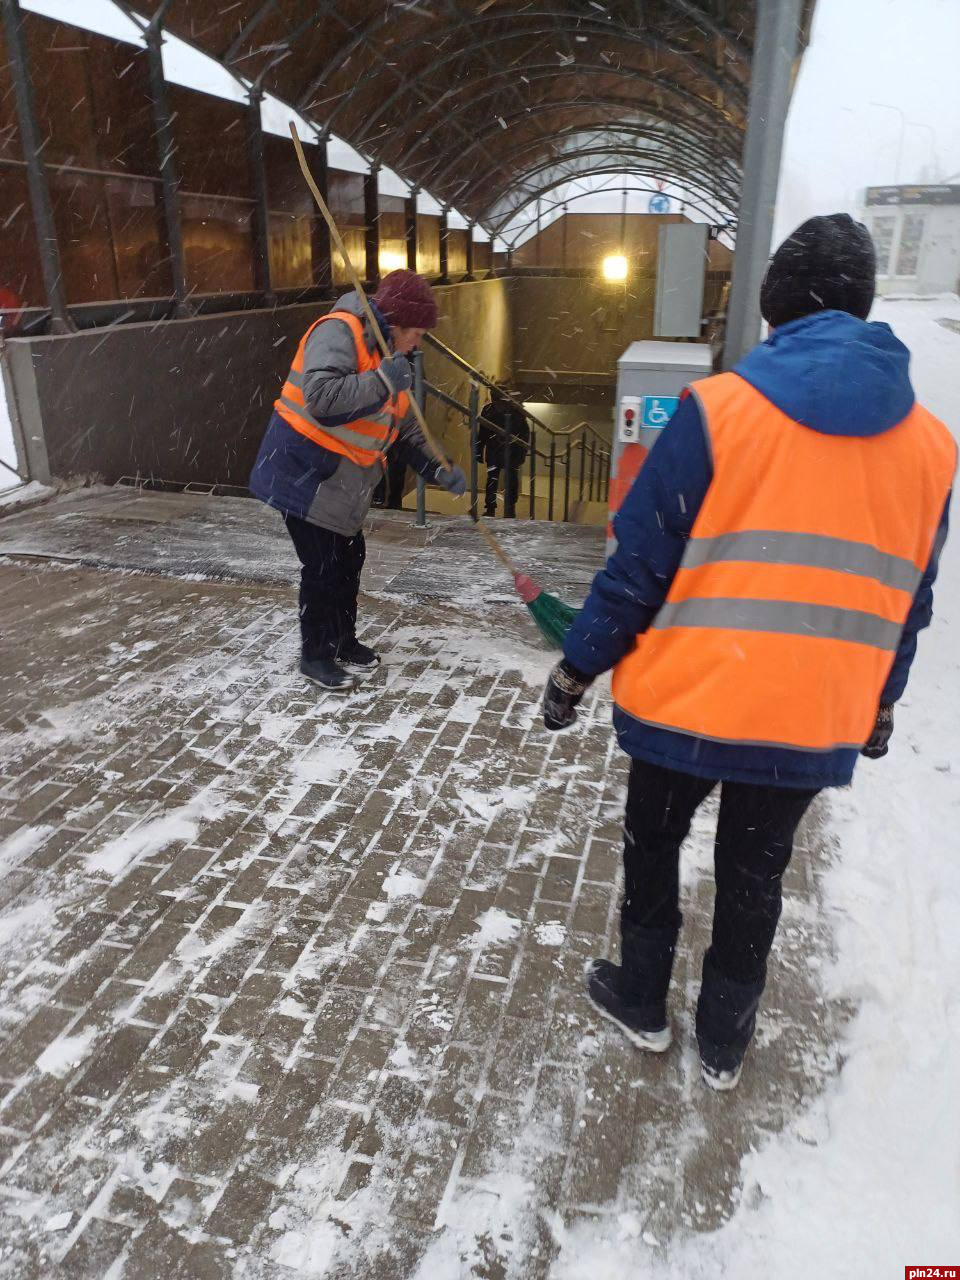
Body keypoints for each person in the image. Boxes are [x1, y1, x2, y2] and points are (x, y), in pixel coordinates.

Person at [541, 214, 955, 1091]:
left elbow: (638, 564)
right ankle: (725, 1039)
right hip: (809, 718)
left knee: (653, 846)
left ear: (774, 311)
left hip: (688, 699)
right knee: (756, 875)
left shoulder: (719, 411)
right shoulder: (932, 448)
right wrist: (880, 703)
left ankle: (643, 1001)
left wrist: (577, 667)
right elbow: (907, 604)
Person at [250, 269, 466, 692]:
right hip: (303, 472)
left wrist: (437, 468)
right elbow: (322, 398)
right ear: (396, 324)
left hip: (340, 483)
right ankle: (315, 655)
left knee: (350, 559)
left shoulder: (392, 360)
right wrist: (384, 379)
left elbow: (402, 429)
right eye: (416, 333)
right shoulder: (339, 332)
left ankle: (342, 640)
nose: (418, 342)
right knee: (323, 566)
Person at [477, 385, 529, 518]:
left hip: (511, 451)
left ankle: (510, 508)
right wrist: (478, 450)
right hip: (495, 449)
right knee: (493, 479)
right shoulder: (489, 410)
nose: (496, 401)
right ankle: (491, 508)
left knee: (510, 480)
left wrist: (522, 452)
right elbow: (482, 433)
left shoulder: (515, 411)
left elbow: (524, 434)